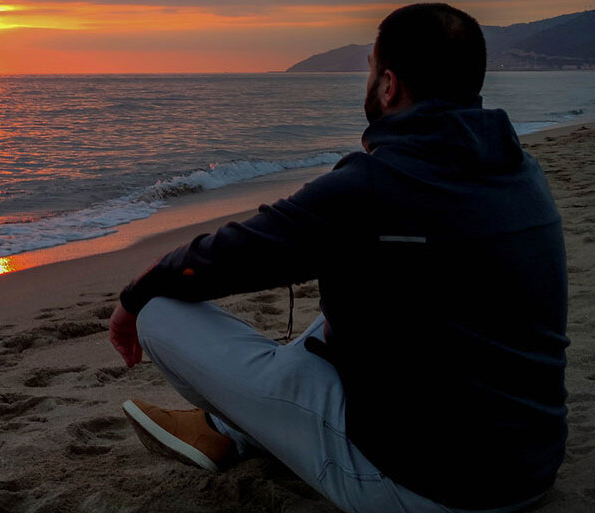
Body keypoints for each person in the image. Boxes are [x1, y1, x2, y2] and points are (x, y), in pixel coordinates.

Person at [107, 3, 569, 512]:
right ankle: (223, 432)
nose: (367, 82)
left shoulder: (373, 187)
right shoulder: (522, 171)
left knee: (159, 310)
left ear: (388, 85)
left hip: (425, 488)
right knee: (351, 306)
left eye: (370, 70)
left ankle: (230, 427)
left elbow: (229, 256)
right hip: (531, 468)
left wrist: (133, 298)